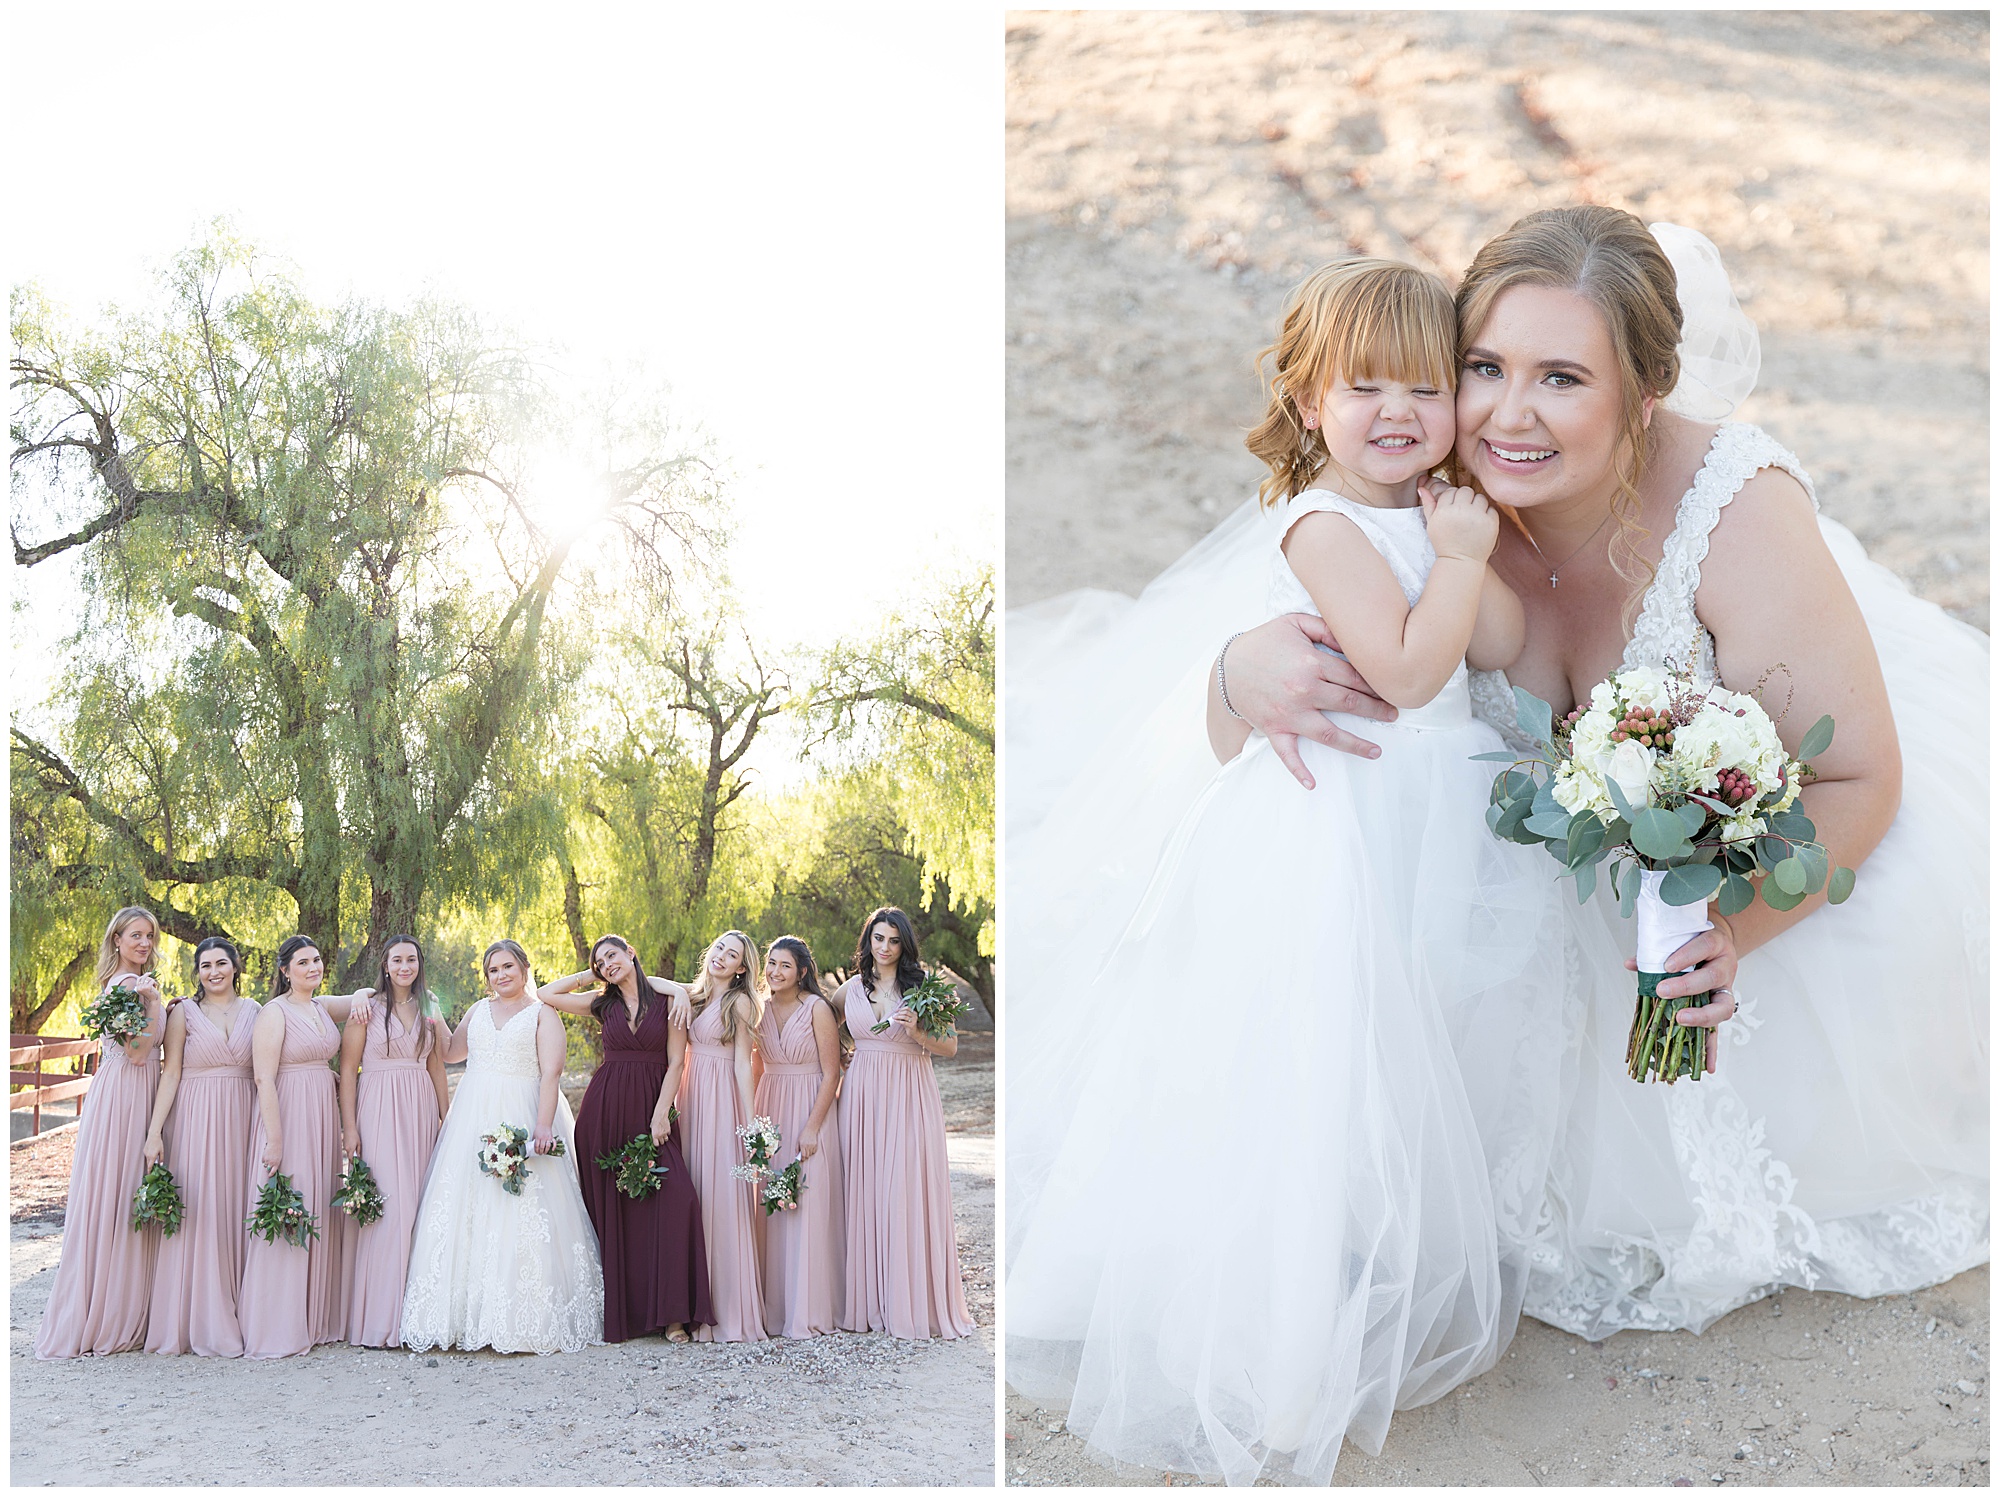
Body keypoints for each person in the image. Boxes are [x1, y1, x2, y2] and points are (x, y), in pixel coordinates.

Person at [1006, 260, 1564, 1482]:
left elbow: (1504, 646)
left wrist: (1470, 545)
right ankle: (1281, 1343)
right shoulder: (1320, 523)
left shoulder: (1424, 510)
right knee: (1316, 1062)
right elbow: (1414, 673)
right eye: (1361, 386)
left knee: (1408, 1041)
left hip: (1416, 814)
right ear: (1308, 403)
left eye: (1423, 385)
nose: (1396, 412)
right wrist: (1457, 562)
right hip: (1330, 827)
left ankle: (1375, 1253)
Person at [399, 940, 604, 1355]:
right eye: (493, 970)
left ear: (525, 968)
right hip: (472, 1117)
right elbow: (453, 1052)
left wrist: (542, 1126)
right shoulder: (477, 1009)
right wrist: (432, 1011)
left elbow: (551, 1073)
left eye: (508, 966)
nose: (501, 975)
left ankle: (523, 1318)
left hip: (523, 1113)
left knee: (524, 1209)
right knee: (465, 1208)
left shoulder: (543, 1013)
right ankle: (462, 1316)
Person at [541, 935, 713, 1343]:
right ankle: (630, 1314)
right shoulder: (602, 1004)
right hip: (606, 1112)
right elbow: (546, 994)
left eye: (612, 956)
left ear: (631, 951)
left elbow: (675, 1064)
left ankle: (673, 1315)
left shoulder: (669, 1002)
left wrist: (660, 1115)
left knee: (677, 1199)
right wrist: (592, 976)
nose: (607, 964)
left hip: (653, 1107)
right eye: (600, 962)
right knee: (619, 1211)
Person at [33, 906, 170, 1359]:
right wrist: (153, 1005)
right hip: (126, 1094)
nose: (144, 943)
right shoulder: (126, 987)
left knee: (131, 1191)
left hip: (144, 1090)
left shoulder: (139, 984)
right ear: (116, 940)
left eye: (149, 936)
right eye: (135, 935)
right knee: (116, 1194)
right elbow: (135, 1052)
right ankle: (108, 1313)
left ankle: (131, 1304)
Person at [837, 908, 975, 1342]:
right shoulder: (849, 989)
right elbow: (826, 1024)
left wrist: (917, 1031)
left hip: (908, 1094)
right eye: (877, 938)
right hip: (861, 1096)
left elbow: (950, 1046)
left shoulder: (923, 989)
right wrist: (842, 1056)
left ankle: (909, 1300)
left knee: (903, 1190)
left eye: (893, 940)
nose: (884, 947)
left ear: (905, 945)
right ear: (867, 941)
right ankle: (869, 1302)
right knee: (865, 1190)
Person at [236, 935, 375, 1359]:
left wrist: (366, 995)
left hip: (320, 1115)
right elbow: (263, 1078)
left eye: (317, 960)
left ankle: (314, 1319)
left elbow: (363, 994)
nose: (312, 967)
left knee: (314, 1206)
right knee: (289, 1203)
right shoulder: (274, 1014)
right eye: (302, 962)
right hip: (288, 1115)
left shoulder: (319, 1006)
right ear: (284, 970)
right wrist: (274, 1140)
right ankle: (275, 1324)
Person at [143, 936, 258, 1356]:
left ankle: (238, 1309)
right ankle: (196, 1316)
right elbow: (170, 1072)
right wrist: (155, 1132)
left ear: (235, 967)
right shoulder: (184, 1014)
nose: (213, 972)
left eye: (221, 963)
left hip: (243, 1117)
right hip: (194, 1118)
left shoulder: (257, 1011)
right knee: (201, 1210)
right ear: (198, 972)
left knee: (234, 1208)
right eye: (206, 965)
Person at [338, 935, 450, 1348]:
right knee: (390, 1209)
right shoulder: (366, 1008)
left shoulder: (429, 1006)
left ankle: (418, 1315)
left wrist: (445, 1118)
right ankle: (380, 1319)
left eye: (412, 959)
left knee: (421, 1205)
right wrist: (350, 1128)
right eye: (397, 960)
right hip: (380, 1106)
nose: (405, 966)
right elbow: (349, 1071)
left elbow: (436, 1064)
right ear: (385, 965)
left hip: (419, 1105)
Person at [677, 930, 768, 1342]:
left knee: (718, 1196)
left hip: (719, 1099)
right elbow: (655, 986)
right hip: (690, 1094)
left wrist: (750, 1128)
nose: (721, 957)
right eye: (718, 948)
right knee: (690, 1191)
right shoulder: (692, 996)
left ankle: (726, 1308)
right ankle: (690, 1302)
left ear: (741, 968)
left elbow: (742, 1067)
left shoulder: (741, 1002)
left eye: (732, 955)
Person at [752, 936, 845, 1337]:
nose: (774, 972)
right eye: (771, 964)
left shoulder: (817, 1009)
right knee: (772, 1205)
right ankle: (776, 1308)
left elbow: (832, 1073)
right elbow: (755, 1066)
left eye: (784, 966)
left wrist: (812, 1127)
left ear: (802, 971)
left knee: (807, 1201)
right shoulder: (759, 1009)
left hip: (811, 1104)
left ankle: (809, 1308)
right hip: (770, 1103)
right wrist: (755, 1123)